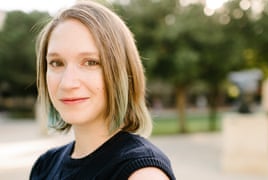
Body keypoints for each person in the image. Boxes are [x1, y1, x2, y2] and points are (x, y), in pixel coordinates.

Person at [30, 1, 175, 179]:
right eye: (56, 63)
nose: (67, 83)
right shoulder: (45, 165)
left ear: (122, 71)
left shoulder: (142, 174)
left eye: (90, 62)